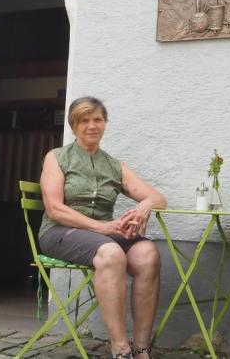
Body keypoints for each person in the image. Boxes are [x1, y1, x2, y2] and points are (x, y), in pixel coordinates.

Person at [39, 96, 167, 359]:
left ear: (105, 124)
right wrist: (101, 227)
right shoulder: (57, 158)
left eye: (97, 119)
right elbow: (54, 209)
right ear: (73, 126)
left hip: (104, 235)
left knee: (147, 254)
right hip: (59, 232)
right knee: (111, 253)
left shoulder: (114, 165)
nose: (91, 125)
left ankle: (141, 349)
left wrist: (145, 206)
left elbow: (158, 198)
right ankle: (120, 349)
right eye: (84, 120)